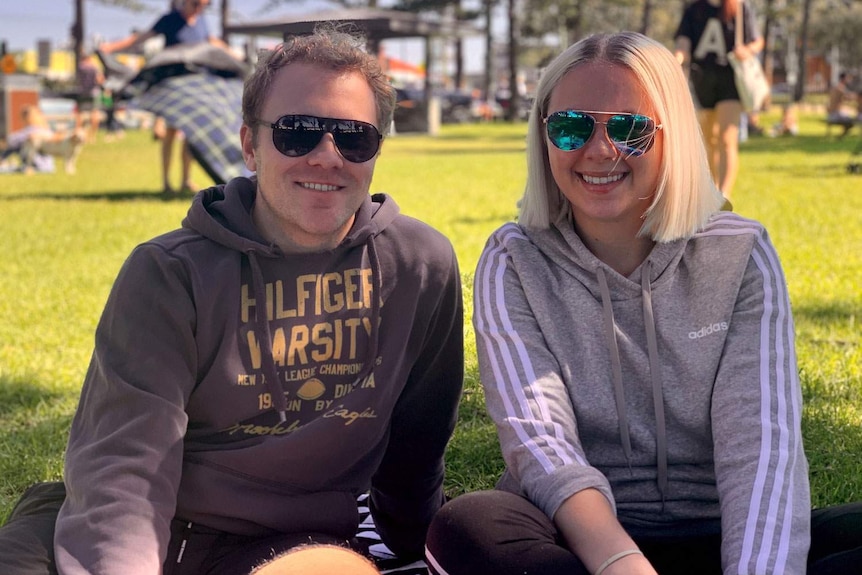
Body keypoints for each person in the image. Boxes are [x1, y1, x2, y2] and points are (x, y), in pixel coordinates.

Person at [0, 28, 464, 575]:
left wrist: (411, 545)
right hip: (120, 529)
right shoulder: (170, 273)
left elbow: (418, 441)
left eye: (354, 138)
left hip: (286, 545)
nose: (326, 157)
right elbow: (126, 466)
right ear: (250, 145)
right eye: (297, 134)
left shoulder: (419, 265)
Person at [424, 31, 862, 575]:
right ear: (544, 138)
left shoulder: (741, 253)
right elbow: (541, 445)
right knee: (468, 528)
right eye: (571, 126)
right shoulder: (513, 260)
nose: (599, 150)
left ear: (672, 136)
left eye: (629, 129)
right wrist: (619, 561)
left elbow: (761, 448)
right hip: (580, 543)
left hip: (718, 528)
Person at [100, 0, 236, 194]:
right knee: (170, 132)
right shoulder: (170, 20)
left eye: (204, 5)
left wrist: (235, 55)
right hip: (173, 88)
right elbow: (141, 37)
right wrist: (111, 47)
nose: (200, 8)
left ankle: (185, 180)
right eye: (197, 4)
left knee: (191, 135)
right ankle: (166, 181)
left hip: (196, 86)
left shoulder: (202, 21)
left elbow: (212, 42)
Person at [674, 0, 764, 199]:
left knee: (726, 139)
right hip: (702, 81)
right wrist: (676, 59)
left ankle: (724, 195)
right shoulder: (694, 9)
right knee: (707, 140)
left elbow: (757, 40)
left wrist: (747, 51)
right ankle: (711, 192)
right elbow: (683, 42)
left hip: (730, 82)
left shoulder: (739, 7)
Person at [826, 72, 858, 138]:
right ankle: (841, 136)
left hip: (831, 114)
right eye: (847, 78)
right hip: (835, 115)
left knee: (848, 118)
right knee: (852, 121)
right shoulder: (840, 89)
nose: (849, 80)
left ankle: (842, 135)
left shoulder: (835, 88)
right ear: (844, 79)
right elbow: (849, 97)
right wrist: (858, 96)